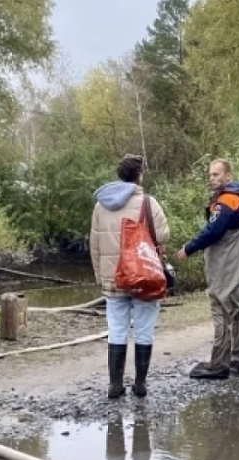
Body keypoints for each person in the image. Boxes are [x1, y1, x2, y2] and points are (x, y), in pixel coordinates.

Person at [90, 154, 170, 399]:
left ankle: (115, 385)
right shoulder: (148, 203)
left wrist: (100, 275)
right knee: (144, 329)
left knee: (116, 329)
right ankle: (140, 384)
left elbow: (94, 243)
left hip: (113, 277)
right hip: (142, 276)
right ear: (139, 176)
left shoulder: (100, 205)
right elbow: (164, 235)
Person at [175, 159, 239, 380]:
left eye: (217, 174)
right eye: (210, 175)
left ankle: (219, 363)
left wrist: (189, 248)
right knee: (236, 308)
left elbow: (213, 230)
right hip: (237, 264)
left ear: (229, 176)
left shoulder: (226, 201)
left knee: (220, 305)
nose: (212, 178)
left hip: (225, 264)